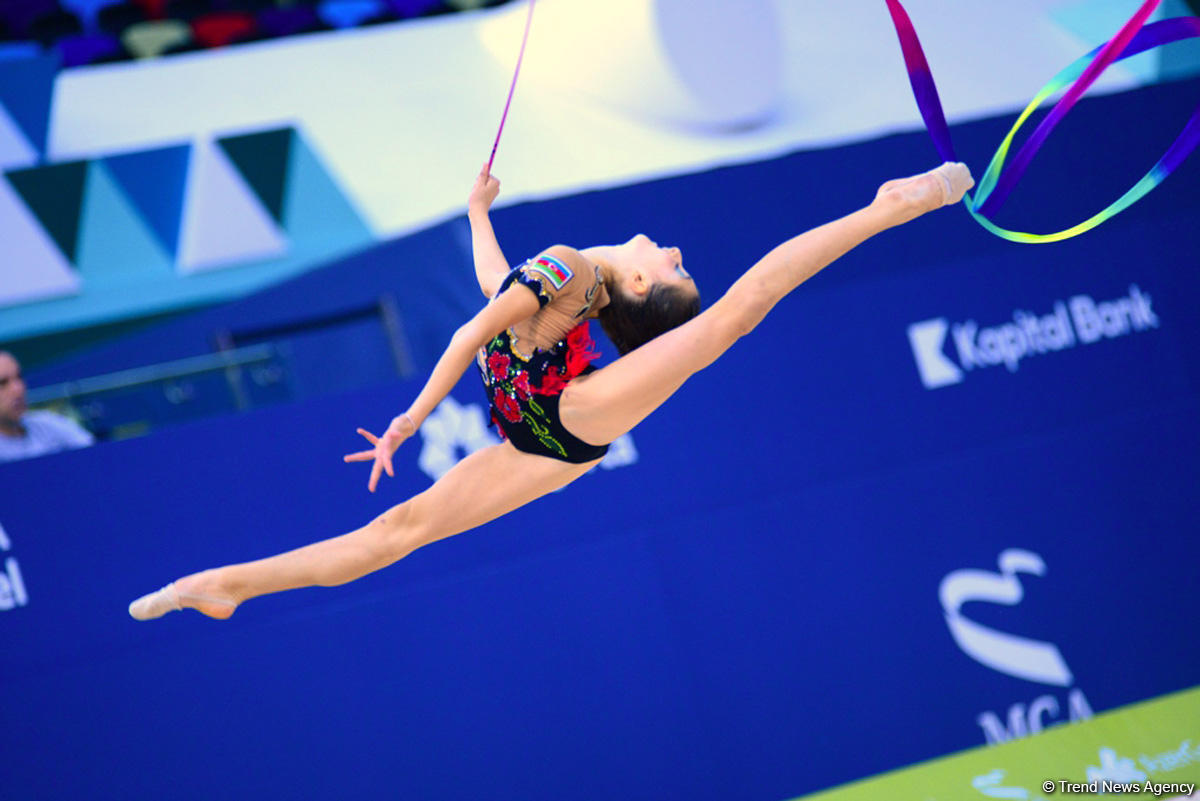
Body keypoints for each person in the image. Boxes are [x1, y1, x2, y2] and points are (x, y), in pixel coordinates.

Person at [129, 161, 974, 621]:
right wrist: (475, 213)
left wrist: (411, 420)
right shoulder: (565, 286)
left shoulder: (571, 268)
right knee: (392, 533)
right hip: (535, 436)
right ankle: (228, 583)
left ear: (640, 286)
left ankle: (886, 206)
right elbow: (496, 286)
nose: (673, 248)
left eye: (672, 268)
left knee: (732, 320)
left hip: (562, 419)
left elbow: (469, 332)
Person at [0, 351, 94, 463]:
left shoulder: (48, 422)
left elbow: (95, 453)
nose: (18, 389)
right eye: (3, 383)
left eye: (19, 377)